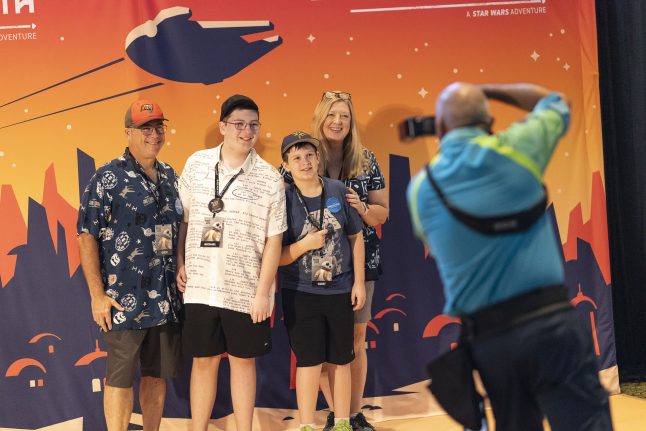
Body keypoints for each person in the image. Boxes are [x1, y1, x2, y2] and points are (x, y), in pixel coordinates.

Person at [406, 82, 613, 431]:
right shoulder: (520, 147)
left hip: (492, 340)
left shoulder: (421, 189)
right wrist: (486, 89)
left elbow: (435, 243)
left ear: (440, 128)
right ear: (489, 121)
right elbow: (556, 100)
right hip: (552, 325)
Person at [176, 94, 286, 431]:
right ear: (223, 126)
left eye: (253, 125)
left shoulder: (270, 178)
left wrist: (262, 292)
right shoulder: (196, 164)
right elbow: (183, 220)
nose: (246, 131)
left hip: (245, 290)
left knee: (243, 363)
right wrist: (180, 260)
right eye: (239, 123)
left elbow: (274, 241)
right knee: (204, 361)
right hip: (200, 286)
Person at [77, 99, 183, 431]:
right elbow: (86, 235)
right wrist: (97, 295)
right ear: (128, 132)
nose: (153, 134)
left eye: (158, 127)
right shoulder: (107, 177)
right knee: (119, 379)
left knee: (156, 375)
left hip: (165, 300)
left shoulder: (170, 175)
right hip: (124, 300)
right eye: (145, 128)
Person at [278, 131, 366, 431]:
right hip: (300, 291)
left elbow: (355, 238)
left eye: (310, 156)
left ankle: (342, 421)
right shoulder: (283, 198)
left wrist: (357, 282)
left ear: (319, 158)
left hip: (339, 288)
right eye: (297, 158)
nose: (305, 163)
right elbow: (276, 256)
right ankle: (306, 424)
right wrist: (304, 245)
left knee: (341, 359)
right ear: (286, 165)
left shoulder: (337, 190)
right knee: (309, 361)